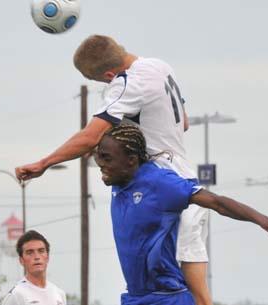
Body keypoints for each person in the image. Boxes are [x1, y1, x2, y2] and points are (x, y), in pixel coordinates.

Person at [16, 34, 214, 305]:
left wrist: (43, 164)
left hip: (156, 190)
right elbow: (186, 123)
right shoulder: (159, 66)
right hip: (186, 181)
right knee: (197, 293)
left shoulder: (125, 84)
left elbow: (91, 136)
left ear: (109, 74)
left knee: (152, 285)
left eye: (103, 81)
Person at [94, 124, 268, 305]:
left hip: (167, 298)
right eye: (98, 157)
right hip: (135, 298)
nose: (100, 164)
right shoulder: (119, 179)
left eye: (106, 159)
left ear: (131, 160)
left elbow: (217, 203)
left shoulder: (160, 184)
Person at [2, 230, 67, 305]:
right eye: (30, 252)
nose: (36, 257)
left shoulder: (59, 294)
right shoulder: (16, 295)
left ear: (47, 257)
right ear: (21, 260)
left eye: (41, 251)